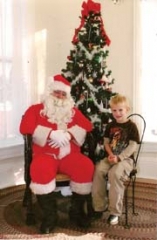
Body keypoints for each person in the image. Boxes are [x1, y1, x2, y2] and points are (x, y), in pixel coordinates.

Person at [19, 74, 94, 234]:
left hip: (69, 156)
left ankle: (76, 211)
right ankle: (50, 216)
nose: (60, 96)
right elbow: (25, 127)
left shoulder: (73, 112)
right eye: (56, 92)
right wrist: (51, 134)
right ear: (49, 93)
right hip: (46, 154)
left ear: (67, 97)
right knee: (40, 169)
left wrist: (69, 134)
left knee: (85, 166)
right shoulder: (36, 110)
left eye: (63, 94)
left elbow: (87, 126)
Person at [91, 94, 140, 225]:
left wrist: (119, 157)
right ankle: (99, 207)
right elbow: (106, 142)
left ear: (127, 109)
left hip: (126, 159)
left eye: (120, 110)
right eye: (114, 110)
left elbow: (133, 146)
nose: (117, 113)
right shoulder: (110, 125)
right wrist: (111, 154)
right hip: (111, 156)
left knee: (115, 173)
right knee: (99, 169)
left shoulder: (132, 126)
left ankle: (115, 212)